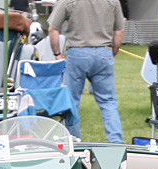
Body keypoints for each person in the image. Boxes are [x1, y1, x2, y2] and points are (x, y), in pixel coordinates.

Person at [48, 0, 125, 143]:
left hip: (77, 52)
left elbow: (53, 28)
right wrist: (113, 53)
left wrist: (57, 53)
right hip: (104, 52)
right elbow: (119, 30)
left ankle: (74, 141)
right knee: (108, 101)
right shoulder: (113, 1)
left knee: (72, 101)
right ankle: (116, 141)